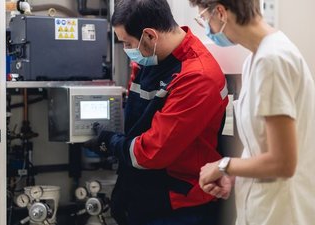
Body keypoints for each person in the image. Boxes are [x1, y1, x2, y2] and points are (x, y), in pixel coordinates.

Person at [84, 0, 229, 224]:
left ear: (150, 36)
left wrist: (111, 142)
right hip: (142, 196)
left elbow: (152, 152)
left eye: (127, 43)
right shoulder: (149, 60)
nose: (126, 50)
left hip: (178, 206)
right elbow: (136, 123)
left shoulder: (197, 77)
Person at [188, 0, 315, 225]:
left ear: (220, 12)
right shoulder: (254, 61)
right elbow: (261, 146)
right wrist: (234, 175)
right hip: (262, 207)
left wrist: (223, 165)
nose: (206, 27)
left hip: (282, 213)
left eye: (205, 19)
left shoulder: (272, 61)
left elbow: (283, 162)